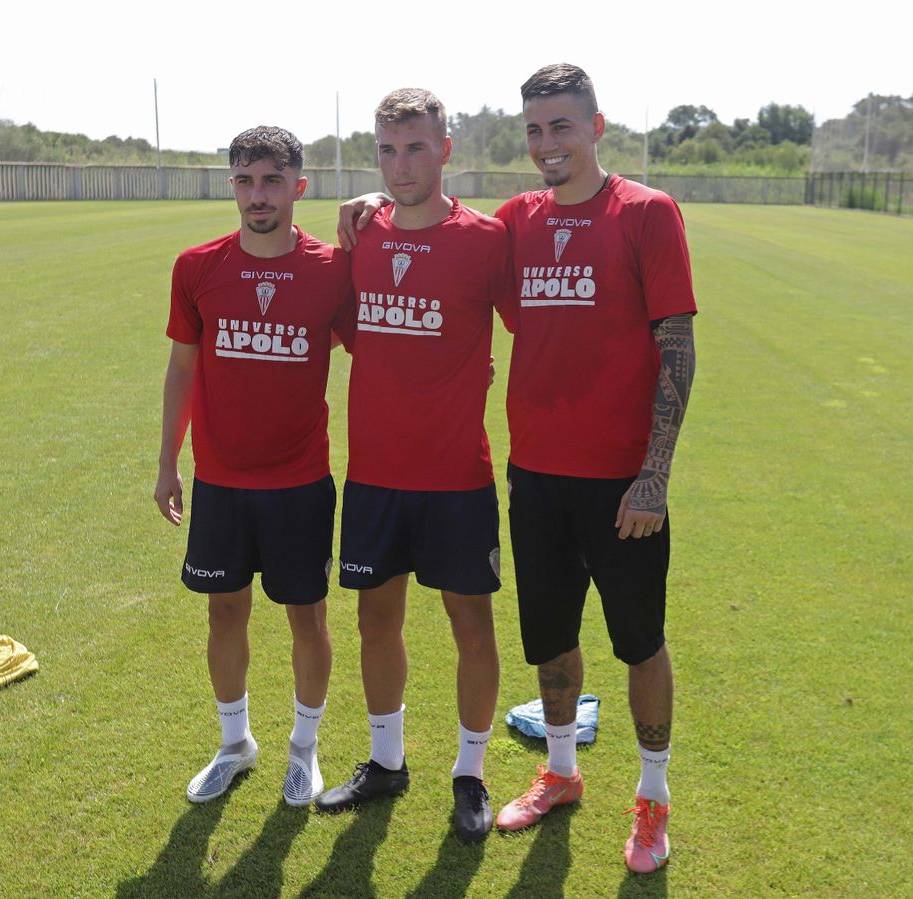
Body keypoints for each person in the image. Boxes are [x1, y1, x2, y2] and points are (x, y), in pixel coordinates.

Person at [338, 62, 697, 873]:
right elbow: (437, 253)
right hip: (533, 474)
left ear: (596, 127)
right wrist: (373, 208)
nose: (546, 144)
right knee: (552, 640)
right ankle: (561, 772)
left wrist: (655, 472)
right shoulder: (515, 224)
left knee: (640, 641)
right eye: (535, 130)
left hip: (623, 482)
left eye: (562, 127)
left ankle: (652, 799)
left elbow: (677, 344)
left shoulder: (648, 212)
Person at [312, 88, 514, 843]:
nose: (401, 165)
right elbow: (342, 328)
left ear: (445, 149)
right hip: (374, 474)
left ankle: (470, 771)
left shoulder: (488, 240)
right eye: (389, 150)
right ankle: (386, 761)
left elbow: (539, 327)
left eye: (416, 148)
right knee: (375, 615)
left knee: (470, 619)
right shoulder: (360, 235)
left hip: (458, 474)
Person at [155, 125, 353, 809]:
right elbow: (183, 367)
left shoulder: (332, 269)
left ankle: (304, 750)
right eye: (245, 180)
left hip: (299, 482)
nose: (257, 194)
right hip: (221, 482)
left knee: (308, 618)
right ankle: (235, 743)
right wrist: (167, 461)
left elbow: (380, 350)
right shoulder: (197, 266)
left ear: (299, 185)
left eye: (272, 180)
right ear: (231, 184)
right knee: (223, 612)